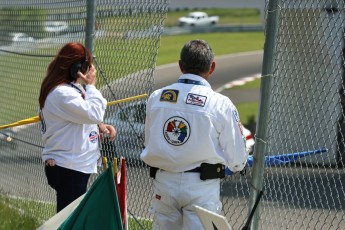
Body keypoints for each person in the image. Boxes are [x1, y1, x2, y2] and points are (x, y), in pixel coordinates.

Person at [141, 39, 248, 229]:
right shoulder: (220, 104)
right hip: (201, 187)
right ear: (212, 67)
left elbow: (150, 142)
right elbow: (238, 160)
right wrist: (238, 164)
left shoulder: (157, 97)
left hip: (164, 181)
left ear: (181, 66)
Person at [38, 42, 116, 212]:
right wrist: (92, 85)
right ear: (77, 68)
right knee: (70, 220)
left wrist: (99, 126)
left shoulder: (67, 89)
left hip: (72, 165)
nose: (90, 71)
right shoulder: (62, 93)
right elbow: (93, 112)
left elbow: (83, 115)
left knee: (72, 218)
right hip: (69, 167)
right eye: (86, 66)